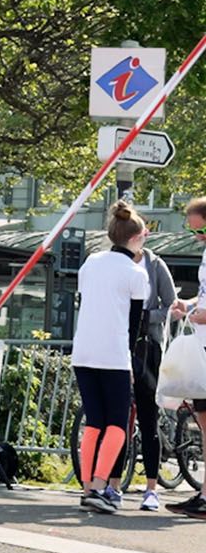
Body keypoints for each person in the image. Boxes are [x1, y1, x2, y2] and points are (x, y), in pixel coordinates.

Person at [70, 202, 150, 516]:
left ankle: (88, 487)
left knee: (94, 422)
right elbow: (134, 325)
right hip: (113, 354)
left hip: (83, 351)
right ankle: (103, 484)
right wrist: (129, 361)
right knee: (117, 423)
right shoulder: (136, 273)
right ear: (135, 238)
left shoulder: (91, 262)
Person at [129, 231, 176, 512]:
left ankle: (151, 488)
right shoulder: (113, 262)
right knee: (118, 417)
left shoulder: (155, 265)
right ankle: (110, 484)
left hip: (148, 346)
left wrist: (146, 317)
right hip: (120, 345)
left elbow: (171, 306)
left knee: (148, 416)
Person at [168, 195, 206, 518]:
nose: (196, 236)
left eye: (201, 230)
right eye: (193, 230)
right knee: (204, 424)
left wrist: (200, 315)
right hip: (201, 349)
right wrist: (189, 305)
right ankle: (204, 494)